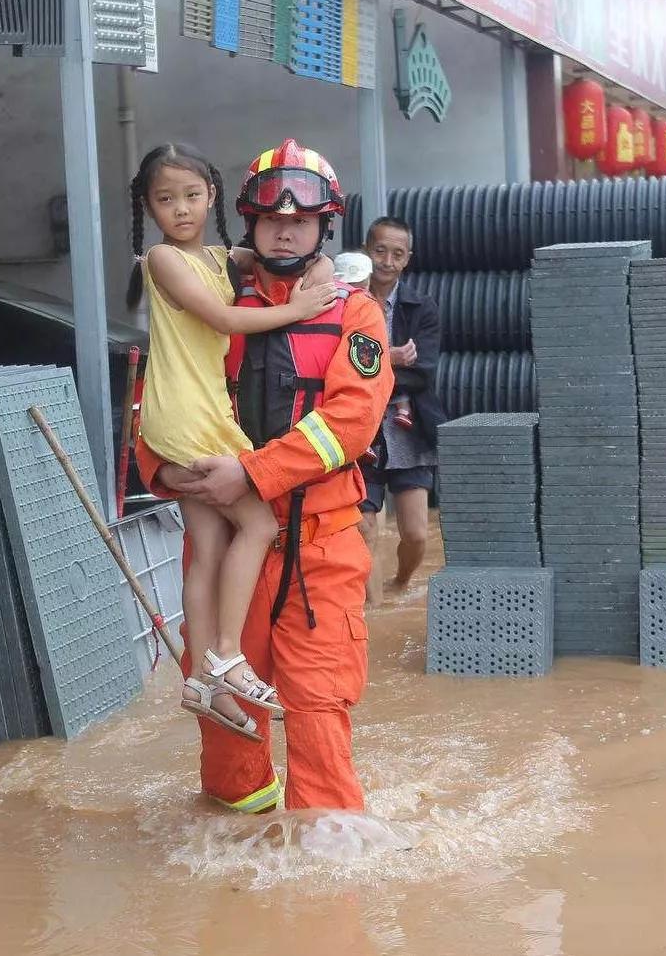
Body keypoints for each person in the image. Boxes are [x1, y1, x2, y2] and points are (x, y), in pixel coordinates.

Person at [135, 138, 393, 812]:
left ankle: (324, 853)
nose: (285, 228)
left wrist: (250, 474)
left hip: (319, 545)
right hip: (225, 540)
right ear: (248, 221)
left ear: (322, 227)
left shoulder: (356, 313)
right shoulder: (211, 294)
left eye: (301, 220)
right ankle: (231, 838)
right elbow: (169, 396)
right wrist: (167, 469)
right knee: (222, 712)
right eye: (273, 219)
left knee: (317, 702)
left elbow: (351, 420)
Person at [127, 142, 338, 742]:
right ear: (147, 206)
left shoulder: (223, 258)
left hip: (184, 414)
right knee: (260, 526)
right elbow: (227, 321)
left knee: (209, 540)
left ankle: (197, 680)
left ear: (214, 197)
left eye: (193, 196)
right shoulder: (161, 259)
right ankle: (226, 655)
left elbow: (284, 250)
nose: (181, 210)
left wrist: (320, 269)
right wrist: (297, 309)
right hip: (189, 416)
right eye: (165, 200)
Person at [358, 216, 446, 602]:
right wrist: (390, 359)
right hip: (361, 427)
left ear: (408, 258)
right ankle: (373, 616)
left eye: (397, 254)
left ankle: (402, 583)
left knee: (416, 533)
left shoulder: (421, 307)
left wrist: (372, 368)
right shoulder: (345, 299)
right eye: (380, 251)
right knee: (364, 528)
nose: (387, 261)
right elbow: (335, 365)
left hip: (409, 427)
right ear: (366, 250)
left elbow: (423, 373)